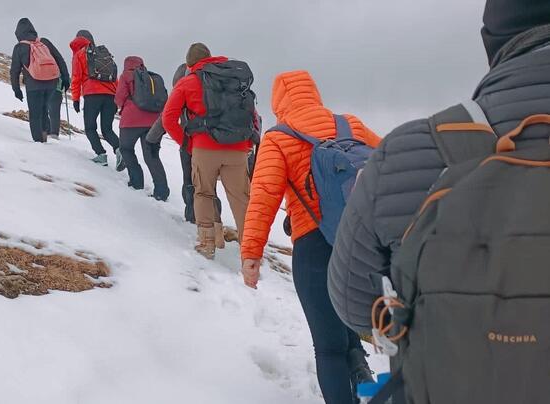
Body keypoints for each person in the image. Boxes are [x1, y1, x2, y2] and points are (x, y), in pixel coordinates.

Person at [327, 0, 550, 336]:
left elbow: (357, 308)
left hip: (469, 383)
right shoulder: (366, 134)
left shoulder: (408, 152)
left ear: (494, 42)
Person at [240, 71, 381, 404]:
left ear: (278, 102)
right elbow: (390, 160)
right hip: (362, 243)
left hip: (314, 245)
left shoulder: (278, 137)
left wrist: (251, 254)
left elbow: (264, 196)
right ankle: (363, 373)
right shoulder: (351, 124)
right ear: (313, 93)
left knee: (328, 347)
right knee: (348, 316)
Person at [162, 43, 253, 259]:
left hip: (204, 148)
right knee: (241, 197)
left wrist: (188, 144)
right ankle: (250, 250)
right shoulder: (234, 79)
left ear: (189, 64)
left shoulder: (188, 81)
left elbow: (168, 118)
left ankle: (207, 244)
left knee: (203, 193)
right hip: (238, 148)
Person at [114, 56, 170, 200]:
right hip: (153, 122)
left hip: (131, 121)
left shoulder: (126, 75)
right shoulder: (153, 78)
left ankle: (136, 181)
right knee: (152, 155)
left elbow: (119, 98)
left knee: (126, 148)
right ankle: (162, 192)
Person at [10, 18, 69, 143]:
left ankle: (39, 142)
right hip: (51, 83)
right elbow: (59, 59)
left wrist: (16, 89)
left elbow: (14, 70)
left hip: (33, 85)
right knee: (44, 109)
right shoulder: (44, 42)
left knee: (35, 113)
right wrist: (65, 78)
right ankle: (45, 136)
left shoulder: (19, 47)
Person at [70, 30, 123, 169]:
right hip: (110, 96)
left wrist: (75, 99)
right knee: (107, 129)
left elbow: (76, 78)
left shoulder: (80, 54)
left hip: (92, 95)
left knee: (90, 127)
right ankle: (119, 150)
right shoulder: (104, 55)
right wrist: (117, 99)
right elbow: (115, 78)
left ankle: (100, 154)